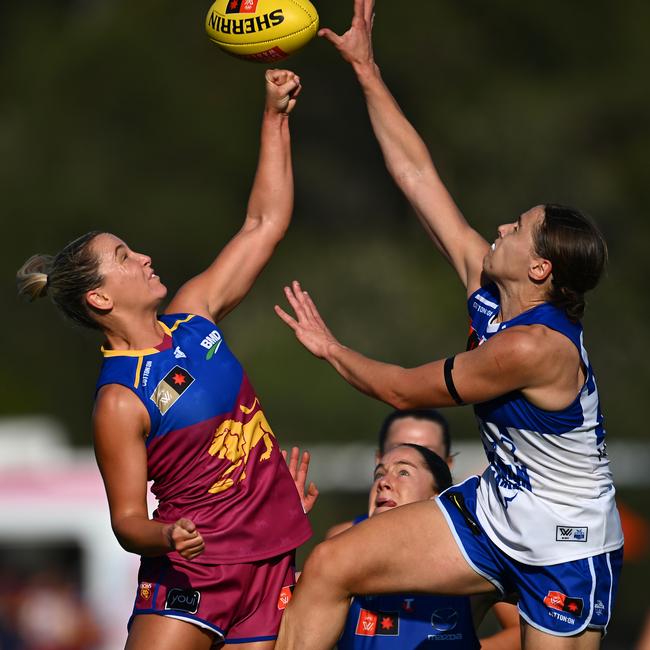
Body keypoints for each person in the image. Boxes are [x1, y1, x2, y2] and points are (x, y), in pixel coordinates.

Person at [272, 2, 624, 648]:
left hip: (563, 549)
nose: (499, 230)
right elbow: (416, 176)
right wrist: (367, 71)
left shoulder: (537, 349)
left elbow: (405, 391)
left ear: (541, 268)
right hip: (495, 511)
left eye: (515, 230)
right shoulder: (491, 293)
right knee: (329, 565)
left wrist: (331, 350)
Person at [17, 69, 311, 650]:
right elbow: (126, 520)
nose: (145, 257)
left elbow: (263, 224)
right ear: (100, 298)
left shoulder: (194, 317)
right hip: (195, 571)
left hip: (271, 561)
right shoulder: (120, 400)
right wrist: (167, 534)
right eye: (125, 257)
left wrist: (275, 117)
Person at [328, 410, 520, 649]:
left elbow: (550, 609)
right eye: (381, 471)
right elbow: (285, 615)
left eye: (404, 471)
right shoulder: (340, 552)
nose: (384, 481)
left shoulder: (473, 555)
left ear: (438, 492)